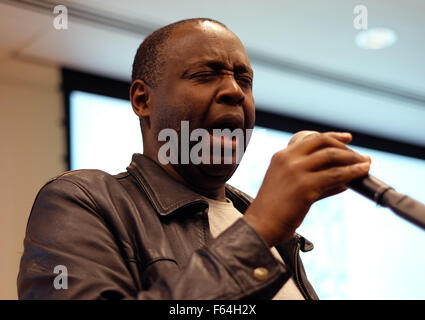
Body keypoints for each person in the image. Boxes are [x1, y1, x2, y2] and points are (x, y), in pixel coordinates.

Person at [17, 18, 371, 300]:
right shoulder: (83, 200)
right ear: (143, 100)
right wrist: (259, 230)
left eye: (244, 80)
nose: (235, 91)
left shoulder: (270, 232)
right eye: (205, 75)